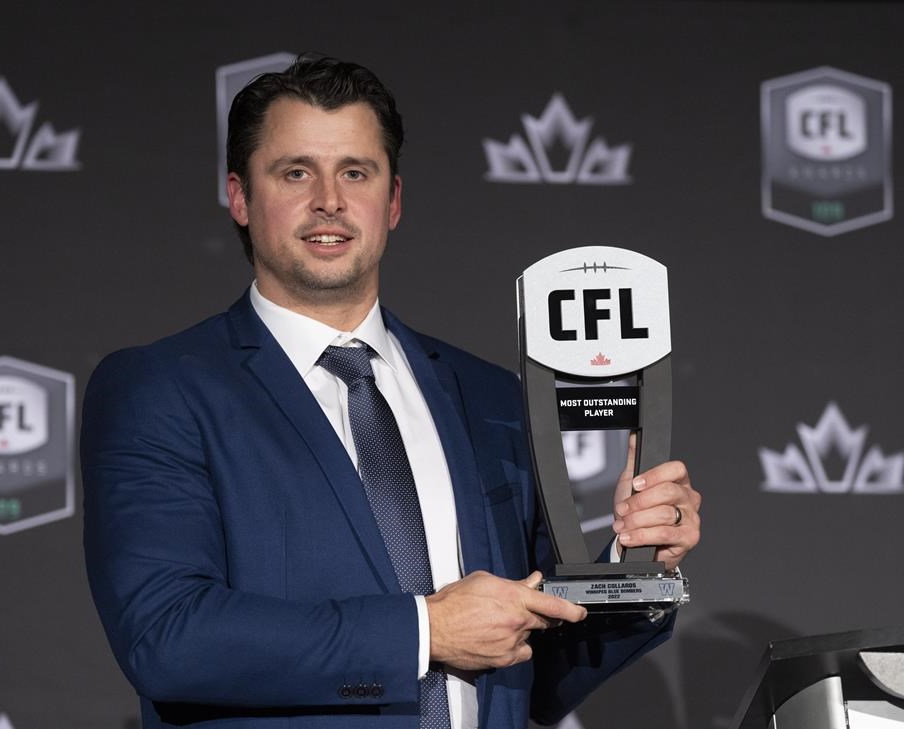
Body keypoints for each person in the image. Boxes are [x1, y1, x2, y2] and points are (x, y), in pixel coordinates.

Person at [81, 55, 701, 729]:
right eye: (296, 172)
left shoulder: (488, 394)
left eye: (356, 171)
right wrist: (423, 631)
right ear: (239, 195)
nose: (329, 199)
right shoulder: (161, 388)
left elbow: (542, 670)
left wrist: (631, 561)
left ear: (393, 200)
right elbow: (168, 637)